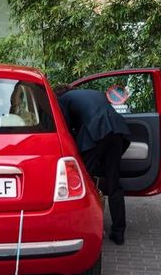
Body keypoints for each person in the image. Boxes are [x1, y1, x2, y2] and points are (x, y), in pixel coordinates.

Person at [56, 86, 131, 245]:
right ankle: (119, 232)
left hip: (96, 131)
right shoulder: (93, 93)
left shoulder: (62, 100)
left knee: (84, 181)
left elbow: (66, 130)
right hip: (117, 130)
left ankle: (85, 227)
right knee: (114, 183)